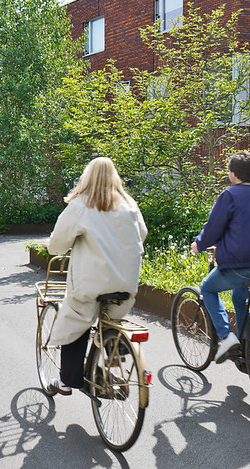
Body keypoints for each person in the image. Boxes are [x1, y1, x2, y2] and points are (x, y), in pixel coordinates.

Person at [45, 157, 147, 395]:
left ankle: (67, 381)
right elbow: (141, 235)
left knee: (76, 325)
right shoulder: (129, 204)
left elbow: (58, 245)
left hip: (90, 285)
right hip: (125, 284)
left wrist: (51, 245)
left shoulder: (81, 205)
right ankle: (114, 349)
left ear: (87, 177)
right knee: (112, 318)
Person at [190, 151, 250, 363]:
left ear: (233, 174)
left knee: (207, 288)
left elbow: (213, 228)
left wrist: (199, 245)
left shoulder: (230, 195)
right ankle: (246, 345)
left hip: (241, 266)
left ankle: (226, 337)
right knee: (238, 297)